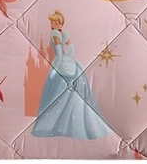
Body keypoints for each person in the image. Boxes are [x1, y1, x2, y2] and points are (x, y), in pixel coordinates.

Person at [31, 11, 113, 139]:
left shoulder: (55, 34)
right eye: (52, 22)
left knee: (57, 93)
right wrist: (68, 58)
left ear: (60, 23)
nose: (52, 24)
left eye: (55, 22)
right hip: (70, 63)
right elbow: (71, 47)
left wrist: (54, 68)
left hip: (61, 65)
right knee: (71, 93)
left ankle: (56, 124)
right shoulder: (64, 34)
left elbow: (59, 54)